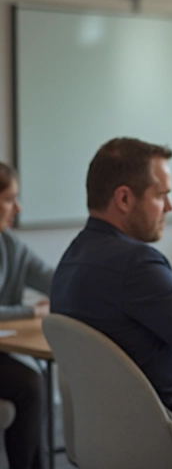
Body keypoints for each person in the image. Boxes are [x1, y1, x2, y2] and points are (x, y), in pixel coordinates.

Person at [51, 138, 172, 420]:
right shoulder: (137, 264)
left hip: (116, 428)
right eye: (161, 195)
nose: (169, 207)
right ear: (124, 199)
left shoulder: (72, 257)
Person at [0, 162, 52, 469]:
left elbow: (54, 280)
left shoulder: (10, 245)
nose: (17, 208)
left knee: (35, 380)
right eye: (9, 199)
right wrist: (30, 311)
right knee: (29, 384)